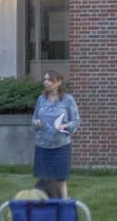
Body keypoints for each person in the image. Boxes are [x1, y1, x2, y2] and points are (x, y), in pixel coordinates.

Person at [31, 70, 80, 199]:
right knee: (44, 180)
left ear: (58, 82)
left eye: (49, 80)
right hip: (43, 145)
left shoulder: (68, 100)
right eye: (45, 80)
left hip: (60, 146)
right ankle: (45, 205)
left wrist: (64, 126)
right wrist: (36, 123)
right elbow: (34, 118)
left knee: (60, 180)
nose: (46, 82)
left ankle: (63, 205)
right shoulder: (41, 99)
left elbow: (76, 121)